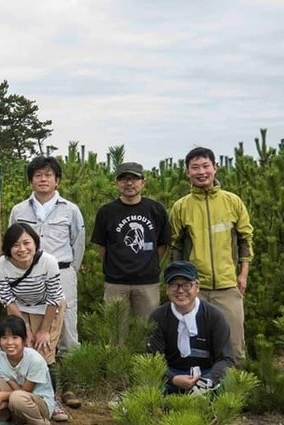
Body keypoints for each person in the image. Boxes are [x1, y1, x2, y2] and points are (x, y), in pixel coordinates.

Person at [8, 156, 84, 410]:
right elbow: (11, 244)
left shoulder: (70, 210)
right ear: (31, 180)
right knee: (34, 332)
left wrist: (68, 271)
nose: (43, 179)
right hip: (28, 276)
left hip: (62, 273)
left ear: (57, 180)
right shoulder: (19, 211)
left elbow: (78, 244)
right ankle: (42, 390)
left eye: (48, 175)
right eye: (38, 175)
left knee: (67, 332)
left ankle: (70, 386)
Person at [169, 147, 253, 360]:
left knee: (234, 345)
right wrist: (180, 282)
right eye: (195, 167)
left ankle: (235, 389)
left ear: (215, 168)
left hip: (227, 285)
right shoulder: (181, 207)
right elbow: (175, 246)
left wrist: (243, 274)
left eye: (206, 166)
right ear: (187, 172)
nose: (201, 172)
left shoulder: (232, 202)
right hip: (194, 287)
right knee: (196, 345)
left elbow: (245, 240)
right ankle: (200, 388)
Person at [0, 223, 69, 421]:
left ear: (35, 243)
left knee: (44, 351)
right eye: (16, 245)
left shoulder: (48, 262)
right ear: (8, 248)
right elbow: (7, 299)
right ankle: (24, 398)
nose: (22, 249)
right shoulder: (0, 266)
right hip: (20, 308)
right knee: (22, 347)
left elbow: (54, 298)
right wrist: (25, 329)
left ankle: (52, 401)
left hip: (48, 308)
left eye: (27, 243)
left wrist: (43, 330)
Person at [91, 162, 171, 318]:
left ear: (143, 182)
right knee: (116, 335)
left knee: (148, 331)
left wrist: (148, 264)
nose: (129, 183)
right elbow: (102, 248)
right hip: (116, 283)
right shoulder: (106, 212)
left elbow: (162, 245)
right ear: (116, 183)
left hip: (148, 283)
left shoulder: (156, 209)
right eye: (123, 179)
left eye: (134, 178)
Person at [147, 261, 234, 394]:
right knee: (149, 388)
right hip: (171, 376)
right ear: (167, 289)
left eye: (187, 284)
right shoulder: (158, 317)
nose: (180, 290)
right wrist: (173, 378)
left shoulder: (214, 316)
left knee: (227, 388)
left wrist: (208, 380)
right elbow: (152, 359)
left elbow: (225, 358)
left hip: (207, 376)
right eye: (174, 285)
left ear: (197, 286)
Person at [0, 316, 56, 425]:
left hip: (40, 404)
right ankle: (6, 419)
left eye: (15, 337)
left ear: (24, 340)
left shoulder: (34, 359)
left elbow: (26, 391)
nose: (9, 342)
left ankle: (40, 422)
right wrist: (7, 400)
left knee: (17, 397)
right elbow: (15, 388)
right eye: (4, 338)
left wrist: (2, 396)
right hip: (17, 398)